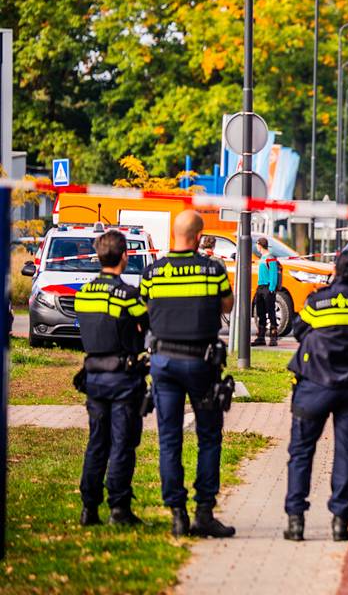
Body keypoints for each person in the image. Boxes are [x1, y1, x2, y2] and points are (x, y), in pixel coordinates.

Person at [140, 210, 236, 538]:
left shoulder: (152, 272)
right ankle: (204, 513)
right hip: (201, 363)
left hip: (164, 363)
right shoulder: (213, 269)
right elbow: (227, 305)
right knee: (208, 436)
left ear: (175, 235)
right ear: (198, 238)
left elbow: (145, 309)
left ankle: (177, 515)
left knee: (169, 439)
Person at [282, 250, 348, 542]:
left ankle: (296, 520)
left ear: (335, 270)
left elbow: (299, 330)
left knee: (301, 452)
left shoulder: (317, 301)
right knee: (346, 452)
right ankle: (340, 520)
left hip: (314, 385)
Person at [73, 230, 150, 527]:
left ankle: (88, 508)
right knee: (122, 443)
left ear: (98, 256)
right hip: (123, 378)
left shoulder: (84, 293)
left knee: (96, 442)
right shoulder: (128, 295)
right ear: (125, 256)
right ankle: (119, 509)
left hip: (93, 376)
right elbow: (146, 324)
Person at [252, 237, 281, 347]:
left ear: (260, 245)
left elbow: (273, 274)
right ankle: (261, 337)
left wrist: (271, 289)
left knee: (271, 312)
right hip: (260, 287)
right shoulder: (262, 257)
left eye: (257, 245)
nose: (256, 247)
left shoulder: (270, 258)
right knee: (261, 312)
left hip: (268, 287)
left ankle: (273, 337)